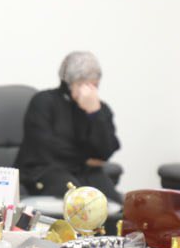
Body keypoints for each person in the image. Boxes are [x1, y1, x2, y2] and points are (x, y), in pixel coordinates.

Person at [15, 50, 122, 201]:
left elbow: (105, 151)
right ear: (69, 83)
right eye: (83, 84)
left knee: (115, 206)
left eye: (94, 85)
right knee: (80, 204)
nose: (89, 91)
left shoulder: (99, 109)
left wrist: (94, 115)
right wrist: (85, 158)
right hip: (44, 171)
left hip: (85, 172)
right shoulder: (44, 102)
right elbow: (46, 149)